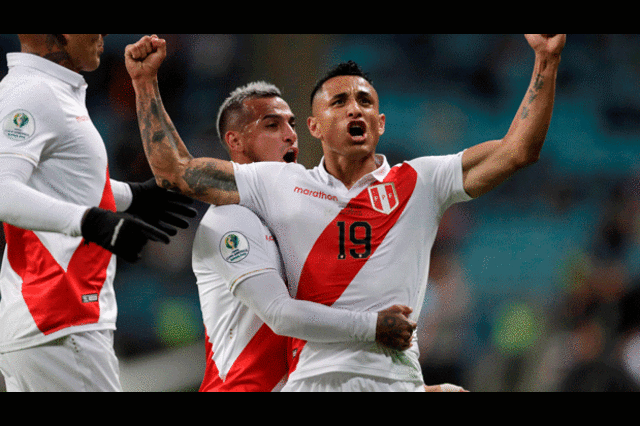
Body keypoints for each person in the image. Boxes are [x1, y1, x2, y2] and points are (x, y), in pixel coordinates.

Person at [125, 34, 565, 391]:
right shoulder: (277, 183)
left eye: (366, 101)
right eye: (339, 102)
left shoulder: (421, 181)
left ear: (381, 123)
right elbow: (176, 171)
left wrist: (545, 61)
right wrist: (145, 82)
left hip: (396, 381)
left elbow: (517, 151)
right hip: (313, 381)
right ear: (314, 127)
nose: (355, 107)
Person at [0, 34, 196, 392]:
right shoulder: (33, 93)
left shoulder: (51, 91)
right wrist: (89, 221)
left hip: (54, 326)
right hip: (61, 318)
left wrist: (131, 197)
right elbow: (3, 191)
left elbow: (61, 182)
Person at [194, 81, 419, 391]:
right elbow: (279, 313)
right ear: (235, 141)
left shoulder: (297, 222)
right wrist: (374, 325)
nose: (290, 134)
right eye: (272, 125)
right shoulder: (229, 219)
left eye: (292, 123)